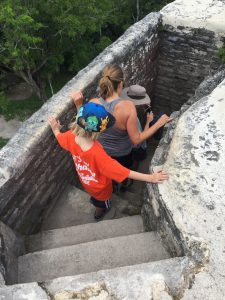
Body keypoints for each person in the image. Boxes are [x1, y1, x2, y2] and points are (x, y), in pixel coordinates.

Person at [48, 91, 169, 221]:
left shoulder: (69, 137)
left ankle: (98, 204)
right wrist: (151, 177)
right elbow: (124, 172)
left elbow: (60, 137)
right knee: (102, 203)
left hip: (86, 182)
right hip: (101, 190)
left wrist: (55, 128)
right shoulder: (98, 154)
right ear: (100, 131)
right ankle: (100, 212)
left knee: (94, 195)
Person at [86, 64, 171, 169]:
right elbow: (136, 140)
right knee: (121, 171)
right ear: (121, 84)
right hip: (121, 155)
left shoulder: (93, 103)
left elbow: (87, 130)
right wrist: (158, 123)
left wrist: (78, 106)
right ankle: (123, 182)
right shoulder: (128, 108)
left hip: (101, 151)